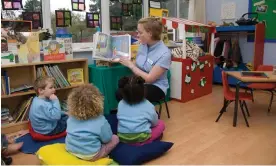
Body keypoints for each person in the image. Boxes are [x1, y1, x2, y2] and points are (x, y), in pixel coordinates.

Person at [116, 17, 171, 103]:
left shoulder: (165, 54)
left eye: (140, 32)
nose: (137, 35)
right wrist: (121, 59)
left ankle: (139, 114)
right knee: (120, 88)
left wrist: (131, 65)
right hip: (140, 82)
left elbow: (149, 79)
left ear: (150, 33)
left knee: (126, 94)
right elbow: (138, 63)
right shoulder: (143, 45)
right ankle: (131, 113)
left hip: (156, 86)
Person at [65, 84, 119, 161]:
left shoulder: (71, 117)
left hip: (70, 149)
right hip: (91, 155)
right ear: (98, 103)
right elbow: (107, 139)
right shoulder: (100, 120)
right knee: (115, 138)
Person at [117, 75, 165, 145]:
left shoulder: (120, 103)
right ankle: (143, 143)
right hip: (141, 138)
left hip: (122, 137)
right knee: (161, 124)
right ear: (144, 91)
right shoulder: (148, 105)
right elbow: (155, 123)